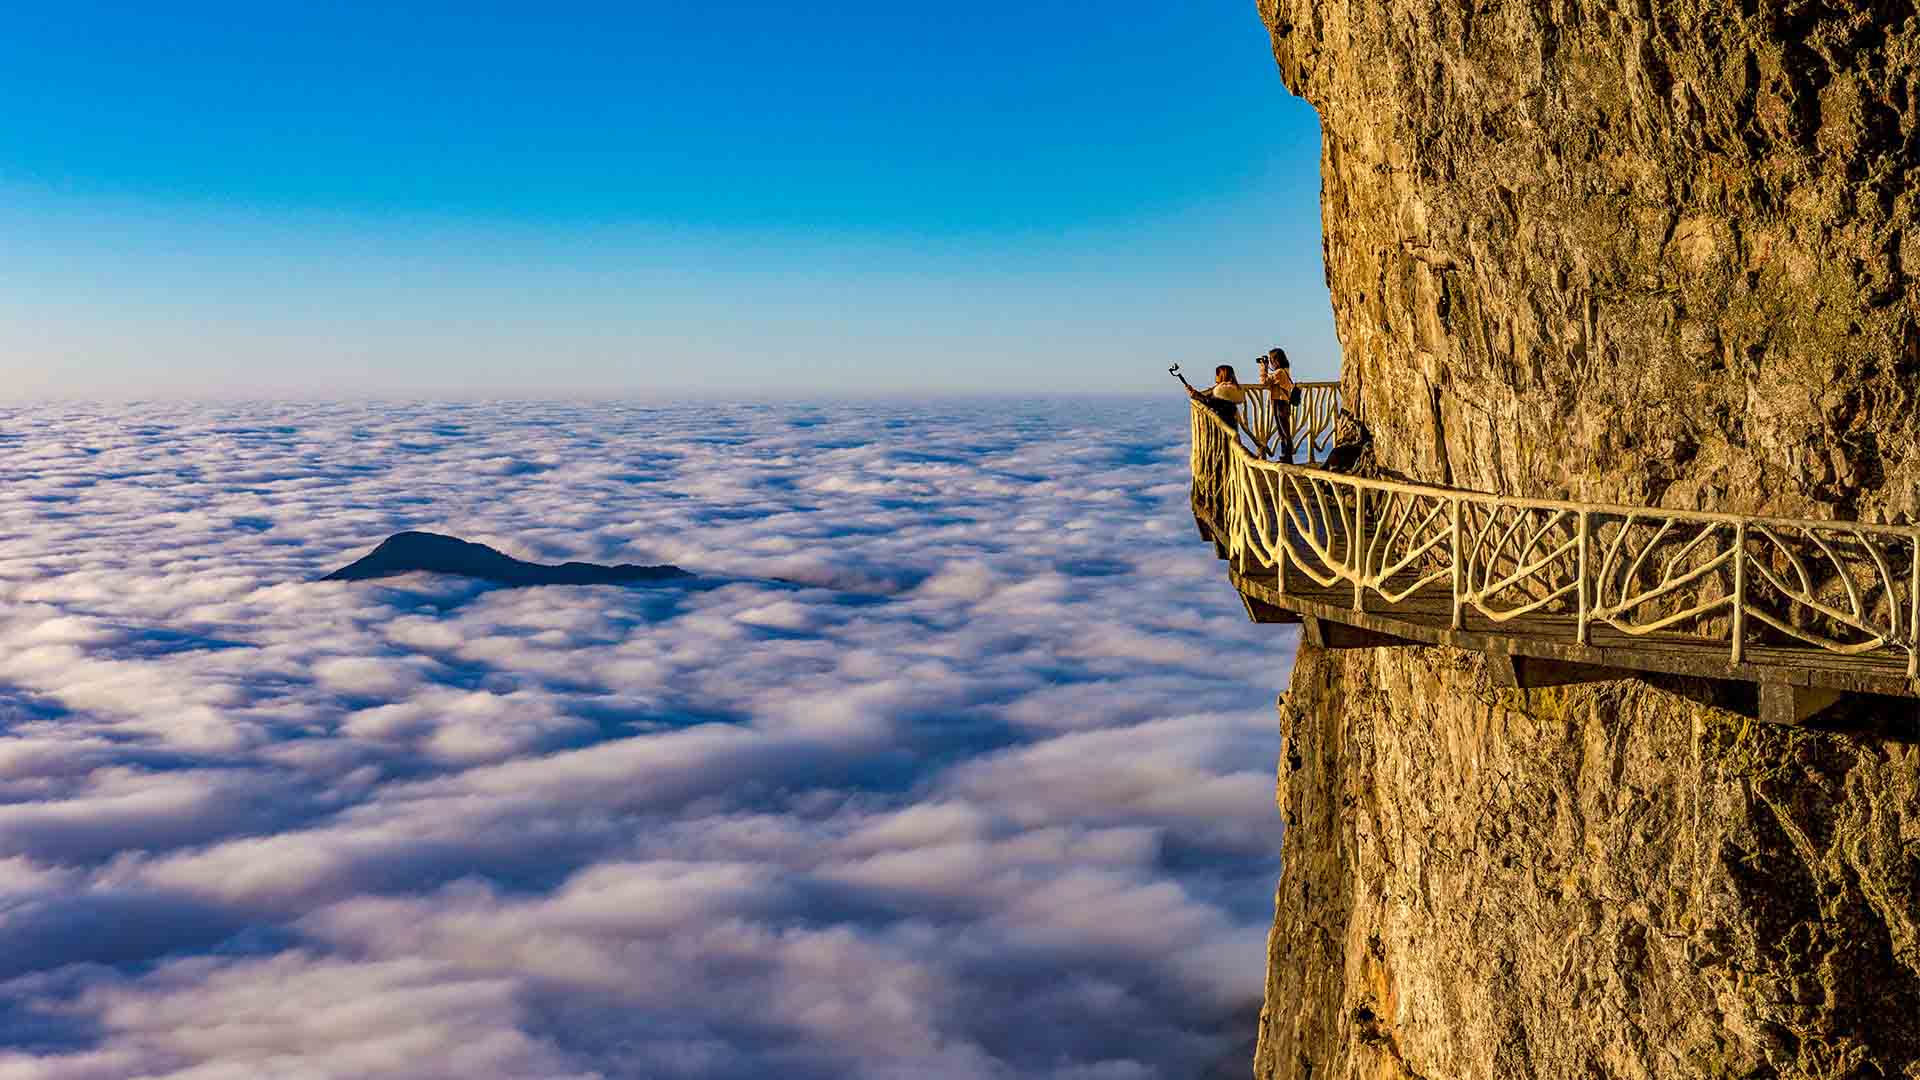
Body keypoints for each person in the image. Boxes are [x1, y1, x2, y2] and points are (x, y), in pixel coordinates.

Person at [1259, 347, 1297, 462]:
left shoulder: (1279, 372)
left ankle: (1287, 456)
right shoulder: (1285, 370)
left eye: (1270, 360)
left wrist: (1263, 369)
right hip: (1282, 402)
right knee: (1284, 430)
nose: (1270, 362)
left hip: (1279, 403)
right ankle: (1286, 456)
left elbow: (1264, 382)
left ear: (1276, 360)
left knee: (1284, 431)